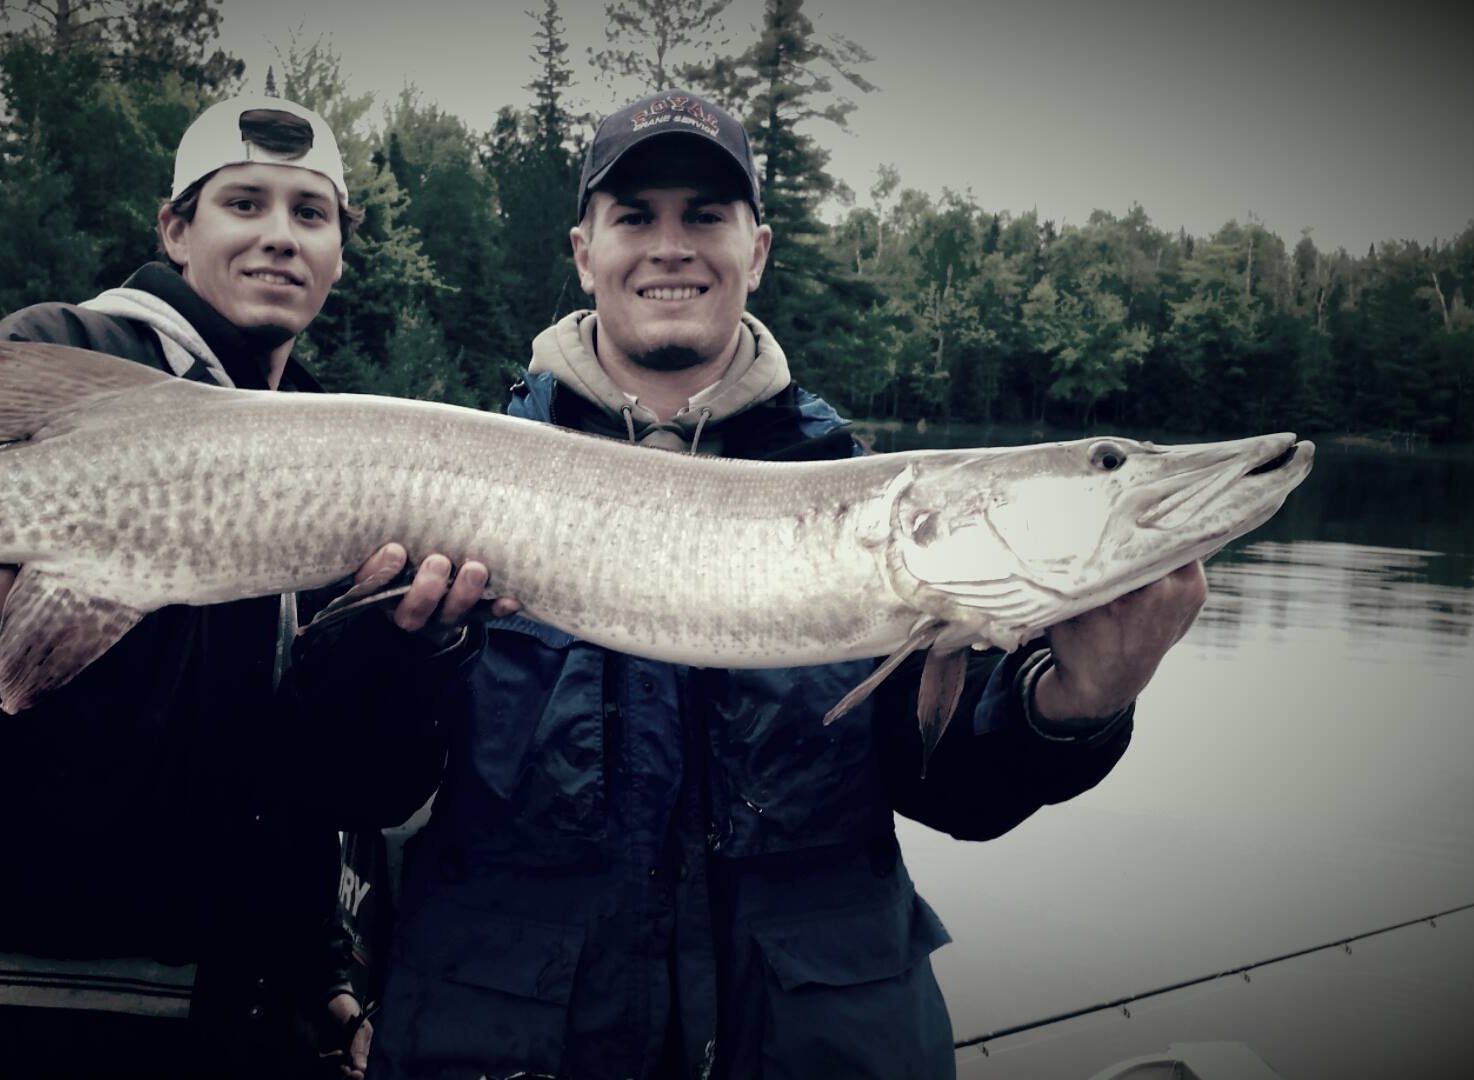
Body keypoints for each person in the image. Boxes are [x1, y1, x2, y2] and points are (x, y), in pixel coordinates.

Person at [367, 90, 1207, 1079]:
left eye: (706, 216)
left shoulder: (882, 507)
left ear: (756, 251)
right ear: (584, 252)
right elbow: (359, 781)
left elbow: (958, 795)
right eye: (635, 216)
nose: (671, 247)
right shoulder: (446, 479)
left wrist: (1074, 707)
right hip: (514, 1044)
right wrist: (393, 657)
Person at [0, 95, 506, 1079]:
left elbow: (345, 785)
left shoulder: (345, 455)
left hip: (252, 1020)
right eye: (245, 203)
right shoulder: (66, 355)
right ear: (175, 229)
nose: (280, 235)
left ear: (338, 253)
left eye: (310, 213)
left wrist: (409, 650)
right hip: (17, 1028)